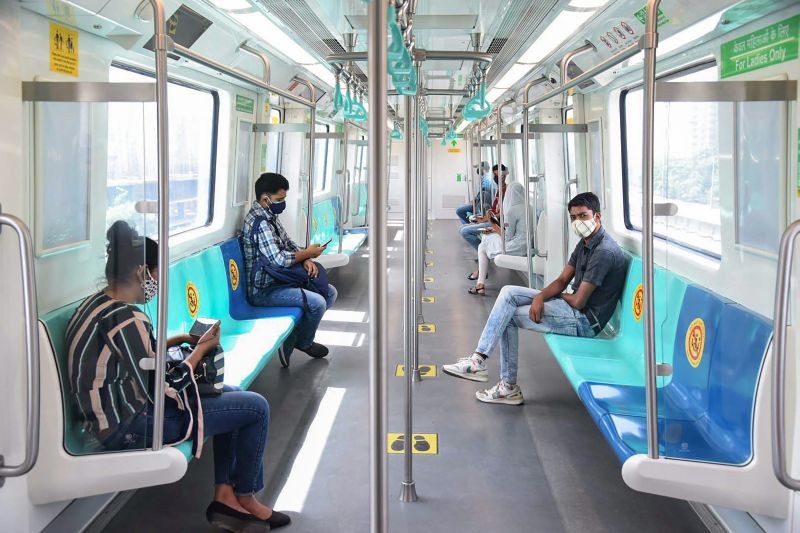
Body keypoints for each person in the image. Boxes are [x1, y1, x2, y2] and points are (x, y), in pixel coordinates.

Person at [66, 221, 291, 530]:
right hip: (130, 426)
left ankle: (226, 496)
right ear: (142, 272)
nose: (157, 283)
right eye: (156, 275)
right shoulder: (126, 318)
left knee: (233, 394)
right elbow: (164, 386)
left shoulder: (98, 305)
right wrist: (199, 352)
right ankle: (246, 496)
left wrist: (181, 340)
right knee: (256, 408)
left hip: (115, 415)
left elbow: (139, 357)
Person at [443, 192, 627, 405]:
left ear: (597, 216)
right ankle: (478, 360)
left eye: (583, 216)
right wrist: (540, 296)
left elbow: (578, 301)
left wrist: (546, 297)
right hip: (572, 308)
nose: (578, 222)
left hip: (584, 320)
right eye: (574, 217)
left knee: (508, 317)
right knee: (508, 292)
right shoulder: (586, 243)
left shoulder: (604, 252)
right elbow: (562, 280)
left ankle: (506, 386)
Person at [242, 172, 337, 367]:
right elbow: (279, 261)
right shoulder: (259, 223)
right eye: (279, 199)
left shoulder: (270, 216)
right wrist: (307, 253)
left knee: (330, 292)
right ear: (265, 198)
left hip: (279, 280)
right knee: (318, 303)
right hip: (264, 290)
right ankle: (304, 342)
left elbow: (288, 242)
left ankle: (294, 337)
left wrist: (306, 258)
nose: (282, 203)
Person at [468, 182, 528, 295]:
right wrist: (493, 229)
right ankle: (480, 283)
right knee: (486, 241)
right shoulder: (528, 207)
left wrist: (492, 222)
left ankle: (480, 283)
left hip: (515, 247)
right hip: (525, 244)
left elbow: (507, 237)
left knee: (483, 245)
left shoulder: (512, 210)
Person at [459, 164, 508, 253]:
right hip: (490, 218)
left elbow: (502, 214)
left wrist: (485, 219)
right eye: (495, 175)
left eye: (499, 175)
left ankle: (484, 251)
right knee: (462, 227)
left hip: (495, 222)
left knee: (465, 231)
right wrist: (483, 218)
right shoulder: (498, 189)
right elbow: (494, 210)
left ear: (504, 175)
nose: (496, 178)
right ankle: (482, 250)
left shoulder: (507, 191)